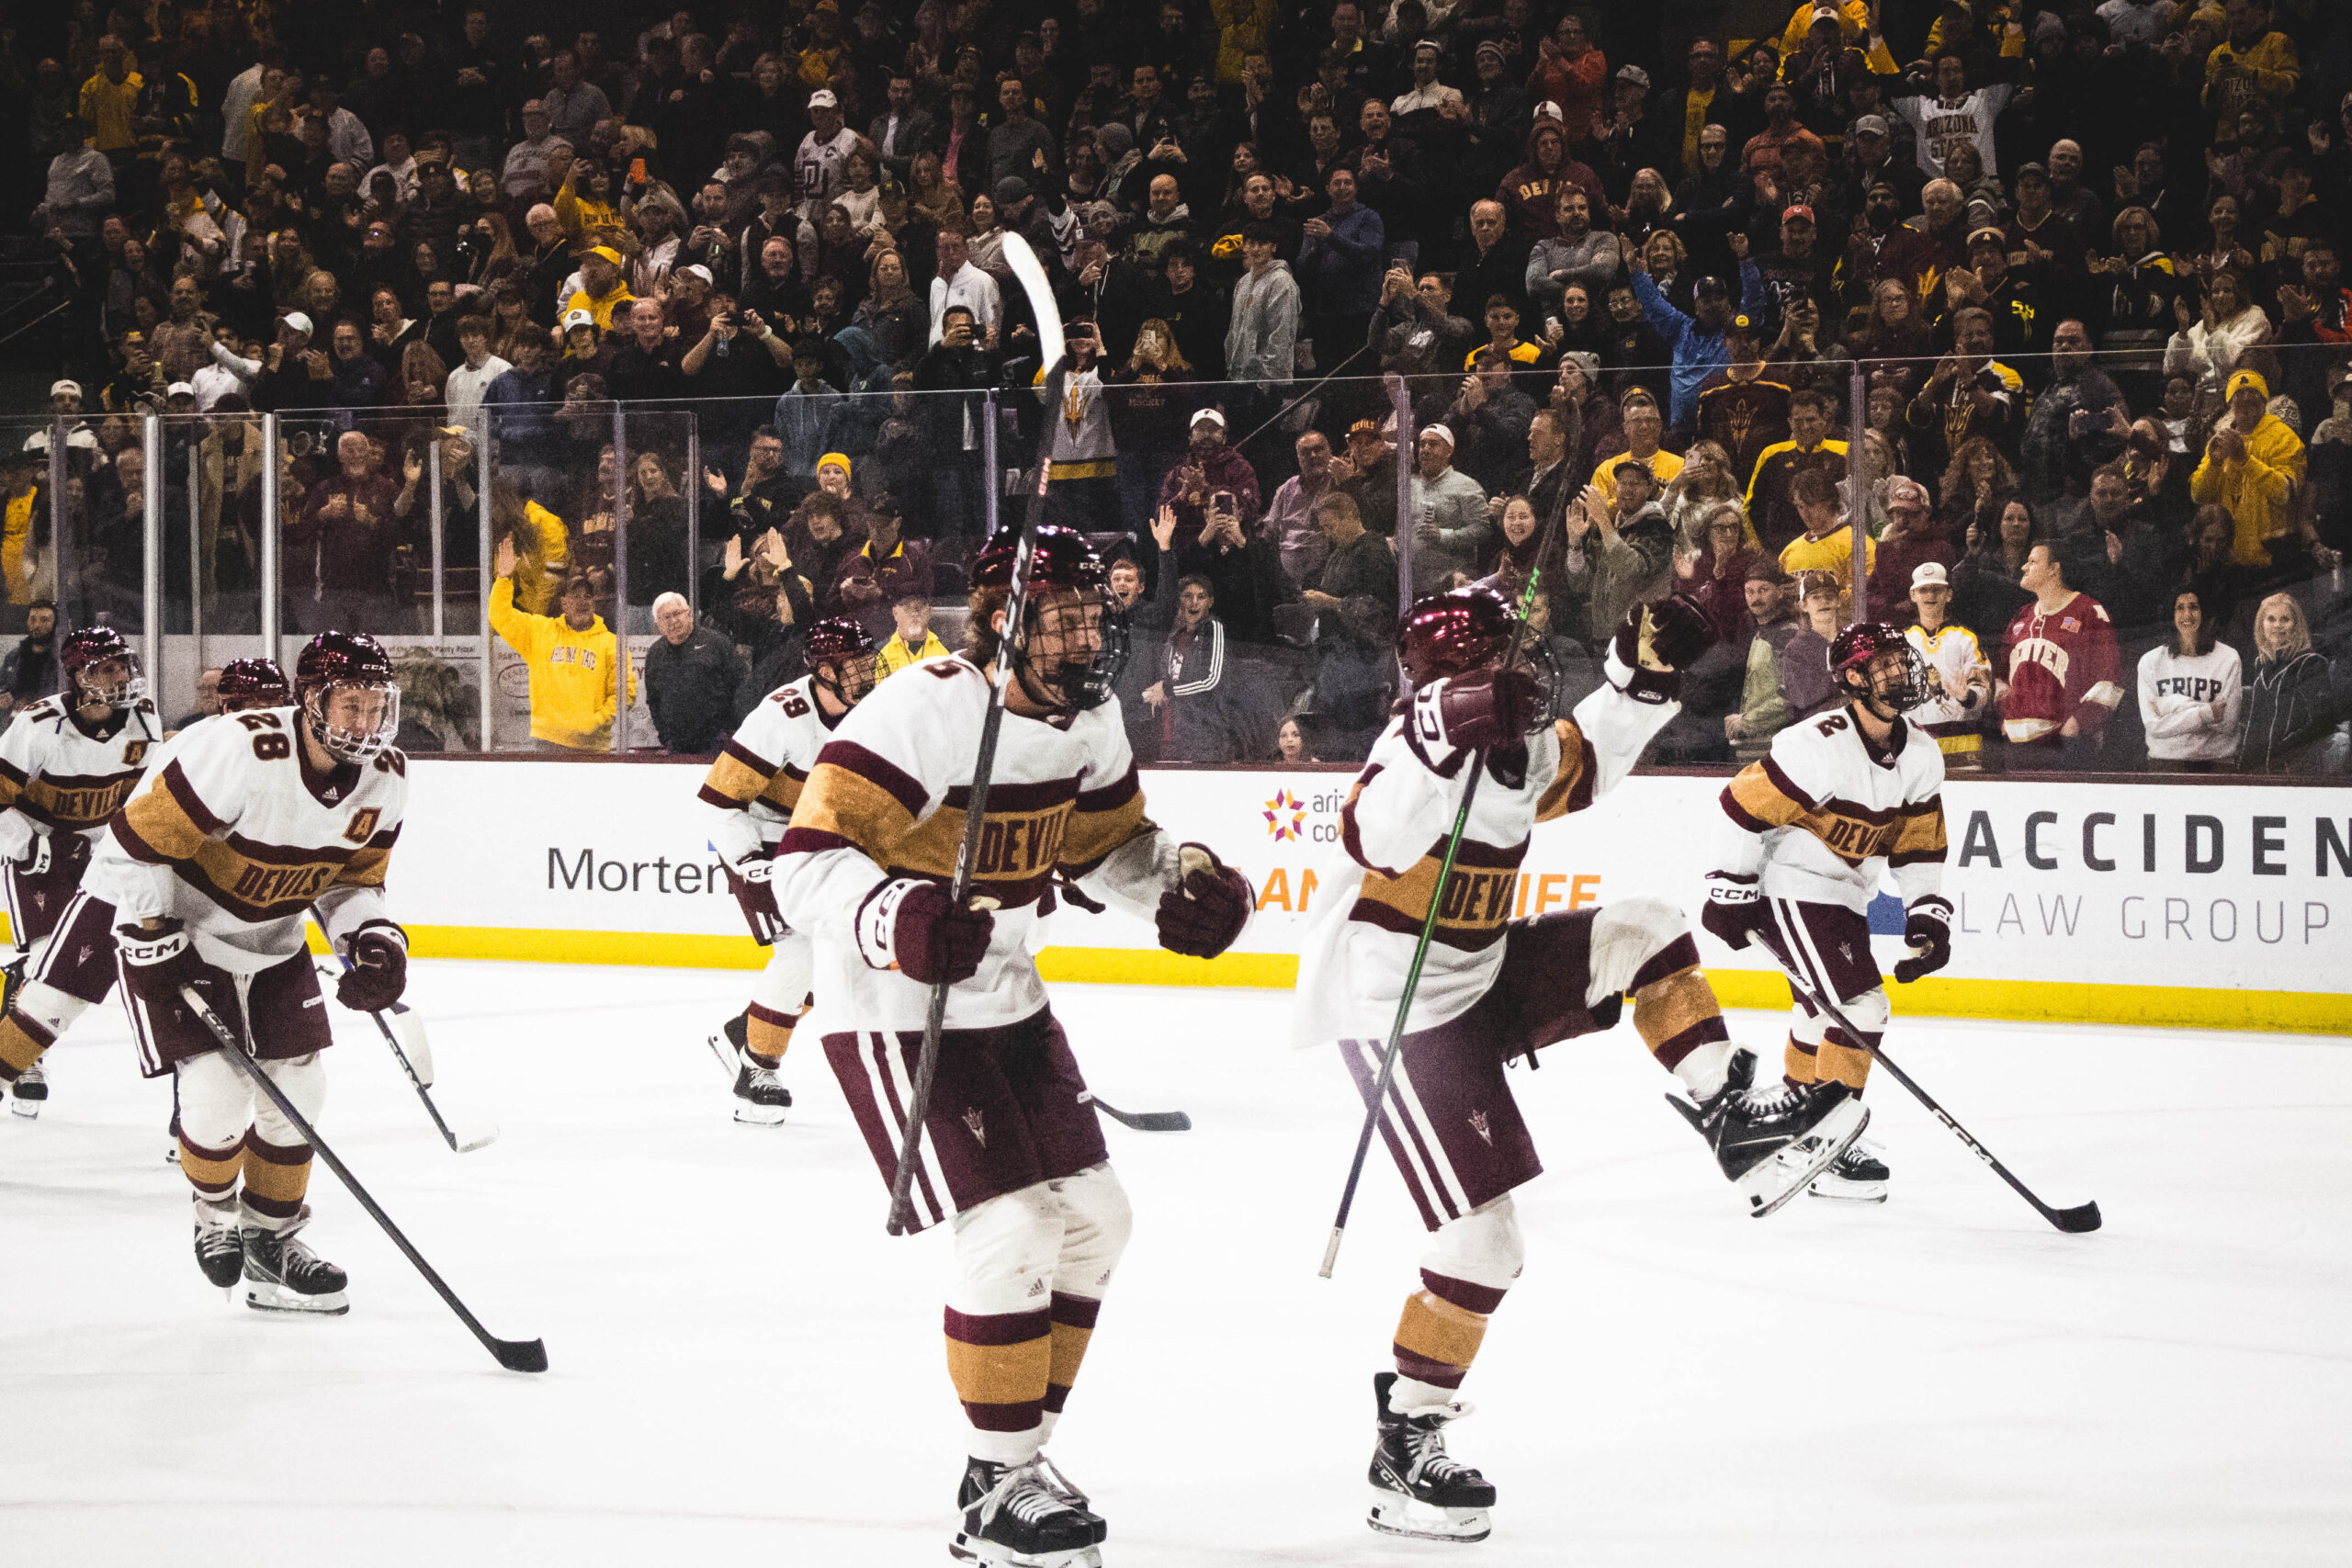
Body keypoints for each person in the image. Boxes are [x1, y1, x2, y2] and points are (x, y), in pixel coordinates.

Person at [1295, 584, 1868, 1542]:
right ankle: (1408, 1437)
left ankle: (1735, 1121)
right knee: (1484, 1244)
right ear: (1448, 682)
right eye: (1491, 664)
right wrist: (1446, 724)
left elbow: (1591, 758)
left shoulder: (1512, 752)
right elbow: (1372, 832)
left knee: (1644, 930)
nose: (1515, 674)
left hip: (1481, 974)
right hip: (1395, 1009)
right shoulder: (1411, 749)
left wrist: (1642, 672)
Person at [771, 525, 1255, 1564]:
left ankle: (1016, 1455)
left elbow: (1105, 847)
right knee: (1009, 1226)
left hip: (1005, 991)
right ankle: (996, 1486)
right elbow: (803, 864)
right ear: (1002, 620)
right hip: (896, 1002)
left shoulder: (1093, 718)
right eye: (1064, 618)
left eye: (1095, 616)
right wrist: (894, 917)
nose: (1088, 638)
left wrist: (1182, 883)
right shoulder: (925, 707)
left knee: (1099, 1219)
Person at [82, 632, 410, 1313]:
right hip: (178, 932)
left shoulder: (388, 776)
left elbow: (351, 883)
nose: (366, 722)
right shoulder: (238, 748)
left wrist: (374, 940)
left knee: (302, 1090)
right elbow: (132, 845)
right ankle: (213, 1214)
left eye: (376, 706)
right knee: (215, 1095)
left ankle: (272, 1242)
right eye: (351, 704)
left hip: (273, 939)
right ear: (311, 699)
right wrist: (152, 932)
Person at [1705, 621, 1954, 1207]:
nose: (1901, 672)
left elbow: (1918, 844)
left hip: (1845, 892)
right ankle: (1830, 1145)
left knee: (1820, 1015)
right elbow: (1739, 806)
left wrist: (1926, 912)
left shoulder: (1920, 753)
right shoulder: (1816, 744)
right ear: (1852, 679)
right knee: (1862, 1004)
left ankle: (1786, 1127)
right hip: (1789, 882)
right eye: (1885, 665)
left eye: (1902, 661)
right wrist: (1730, 888)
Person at [698, 617, 879, 1125]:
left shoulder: (872, 712)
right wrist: (750, 863)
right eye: (857, 665)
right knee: (800, 952)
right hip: (764, 839)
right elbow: (717, 801)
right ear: (824, 672)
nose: (870, 673)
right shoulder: (782, 716)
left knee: (850, 955)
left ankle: (747, 1030)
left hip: (824, 841)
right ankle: (756, 1070)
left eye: (870, 661)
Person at [0, 628, 165, 1117]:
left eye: (122, 665)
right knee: (40, 957)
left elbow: (147, 795)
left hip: (103, 850)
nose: (120, 676)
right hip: (42, 844)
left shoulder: (145, 718)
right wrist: (26, 845)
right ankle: (25, 1059)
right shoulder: (38, 723)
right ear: (77, 676)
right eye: (105, 668)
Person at [487, 539, 635, 752]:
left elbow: (624, 693)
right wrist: (503, 578)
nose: (582, 602)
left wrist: (594, 722)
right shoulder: (540, 631)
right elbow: (499, 616)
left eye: (587, 597)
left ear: (594, 602)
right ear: (563, 602)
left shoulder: (611, 644)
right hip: (548, 742)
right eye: (575, 596)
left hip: (592, 747)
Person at [1998, 545, 2122, 768]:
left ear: (2054, 569)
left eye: (2033, 561)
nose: (2024, 566)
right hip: (2015, 744)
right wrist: (2004, 719)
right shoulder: (2022, 615)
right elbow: (2001, 676)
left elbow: (2108, 677)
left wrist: (2079, 723)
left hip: (2063, 742)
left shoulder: (2089, 611)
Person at [2189, 368, 2308, 569]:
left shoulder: (2283, 437)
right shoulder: (2220, 439)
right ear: (2230, 403)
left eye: (2253, 394)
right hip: (2225, 562)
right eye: (2239, 395)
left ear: (2264, 401)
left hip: (2269, 559)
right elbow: (2199, 496)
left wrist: (2245, 461)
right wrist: (2214, 464)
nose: (2246, 398)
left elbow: (2285, 493)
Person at [2139, 589, 2243, 773]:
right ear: (2171, 615)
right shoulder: (2151, 661)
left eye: (2193, 607)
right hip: (2165, 763)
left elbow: (2228, 723)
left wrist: (2168, 705)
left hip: (2217, 763)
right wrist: (2205, 713)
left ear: (2205, 613)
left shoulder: (2228, 657)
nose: (2187, 615)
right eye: (2180, 608)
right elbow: (2153, 725)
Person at [1904, 563, 1994, 766]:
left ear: (1948, 595)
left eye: (1937, 589)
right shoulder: (1901, 641)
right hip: (1917, 743)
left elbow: (1983, 691)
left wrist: (1967, 696)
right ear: (1913, 595)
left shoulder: (1966, 638)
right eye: (1923, 589)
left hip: (1963, 741)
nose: (1930, 595)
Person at [2238, 593, 2337, 773]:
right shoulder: (2260, 665)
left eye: (2285, 619)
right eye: (2271, 619)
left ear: (2296, 625)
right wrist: (2244, 772)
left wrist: (2281, 752)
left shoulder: (2310, 663)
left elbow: (2323, 724)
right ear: (2262, 625)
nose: (2277, 625)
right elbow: (2253, 727)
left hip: (2297, 775)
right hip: (2259, 774)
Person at [644, 592, 746, 756]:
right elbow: (654, 700)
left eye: (677, 613)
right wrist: (666, 738)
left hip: (718, 744)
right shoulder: (655, 653)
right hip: (676, 747)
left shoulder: (717, 643)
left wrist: (729, 731)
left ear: (690, 614)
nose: (674, 621)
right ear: (658, 624)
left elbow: (742, 688)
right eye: (666, 617)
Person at [876, 593, 949, 678]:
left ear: (929, 612)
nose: (914, 614)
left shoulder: (946, 649)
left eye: (919, 608)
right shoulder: (879, 652)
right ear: (895, 613)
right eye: (907, 608)